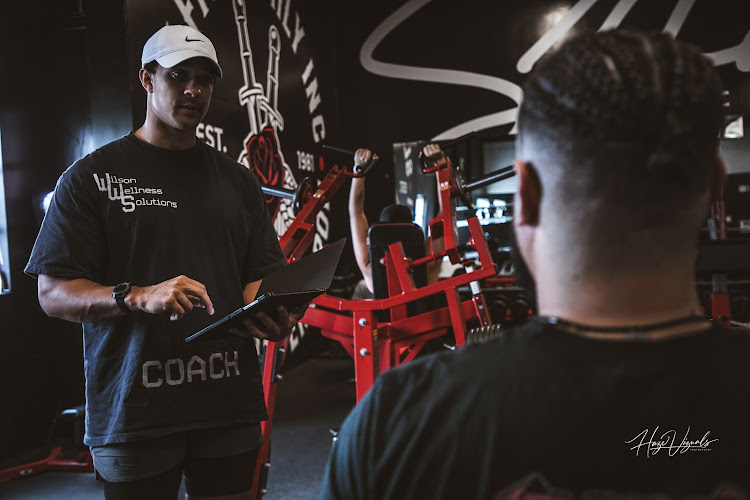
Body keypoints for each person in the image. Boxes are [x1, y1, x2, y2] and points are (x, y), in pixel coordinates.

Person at [321, 29, 750, 499]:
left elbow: (356, 218)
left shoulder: (393, 427)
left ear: (524, 196)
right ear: (716, 185)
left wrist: (359, 178)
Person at [25, 24, 304, 499]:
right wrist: (137, 296)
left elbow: (258, 279)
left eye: (204, 79)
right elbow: (53, 293)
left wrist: (276, 312)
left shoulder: (237, 182)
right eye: (179, 75)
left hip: (227, 402)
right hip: (136, 411)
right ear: (147, 78)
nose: (194, 89)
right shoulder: (92, 178)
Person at [348, 145, 445, 300]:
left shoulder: (370, 269)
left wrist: (359, 170)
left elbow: (356, 212)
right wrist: (440, 164)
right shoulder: (429, 264)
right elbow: (445, 212)